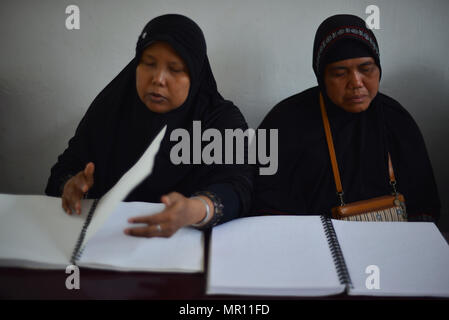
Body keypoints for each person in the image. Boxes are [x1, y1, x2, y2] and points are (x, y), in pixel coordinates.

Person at [45, 14, 253, 237]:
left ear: (195, 74)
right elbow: (66, 168)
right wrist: (71, 186)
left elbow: (237, 187)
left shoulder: (220, 119)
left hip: (185, 244)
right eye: (149, 63)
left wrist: (196, 209)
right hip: (108, 240)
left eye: (175, 69)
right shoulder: (112, 107)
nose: (158, 78)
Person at [252, 14, 440, 222]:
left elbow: (424, 207)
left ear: (378, 68)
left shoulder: (396, 120)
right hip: (307, 246)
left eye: (366, 69)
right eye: (340, 73)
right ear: (321, 76)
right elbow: (264, 207)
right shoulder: (285, 122)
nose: (356, 82)